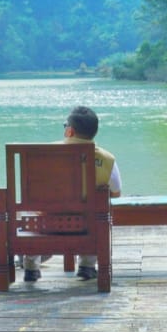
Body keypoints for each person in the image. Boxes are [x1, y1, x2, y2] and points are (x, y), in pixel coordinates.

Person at [22, 105, 122, 282]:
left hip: (47, 223)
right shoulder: (107, 159)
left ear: (69, 131)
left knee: (33, 211)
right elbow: (116, 193)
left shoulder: (44, 154)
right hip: (86, 225)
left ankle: (31, 267)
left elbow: (31, 193)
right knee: (100, 212)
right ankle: (87, 265)